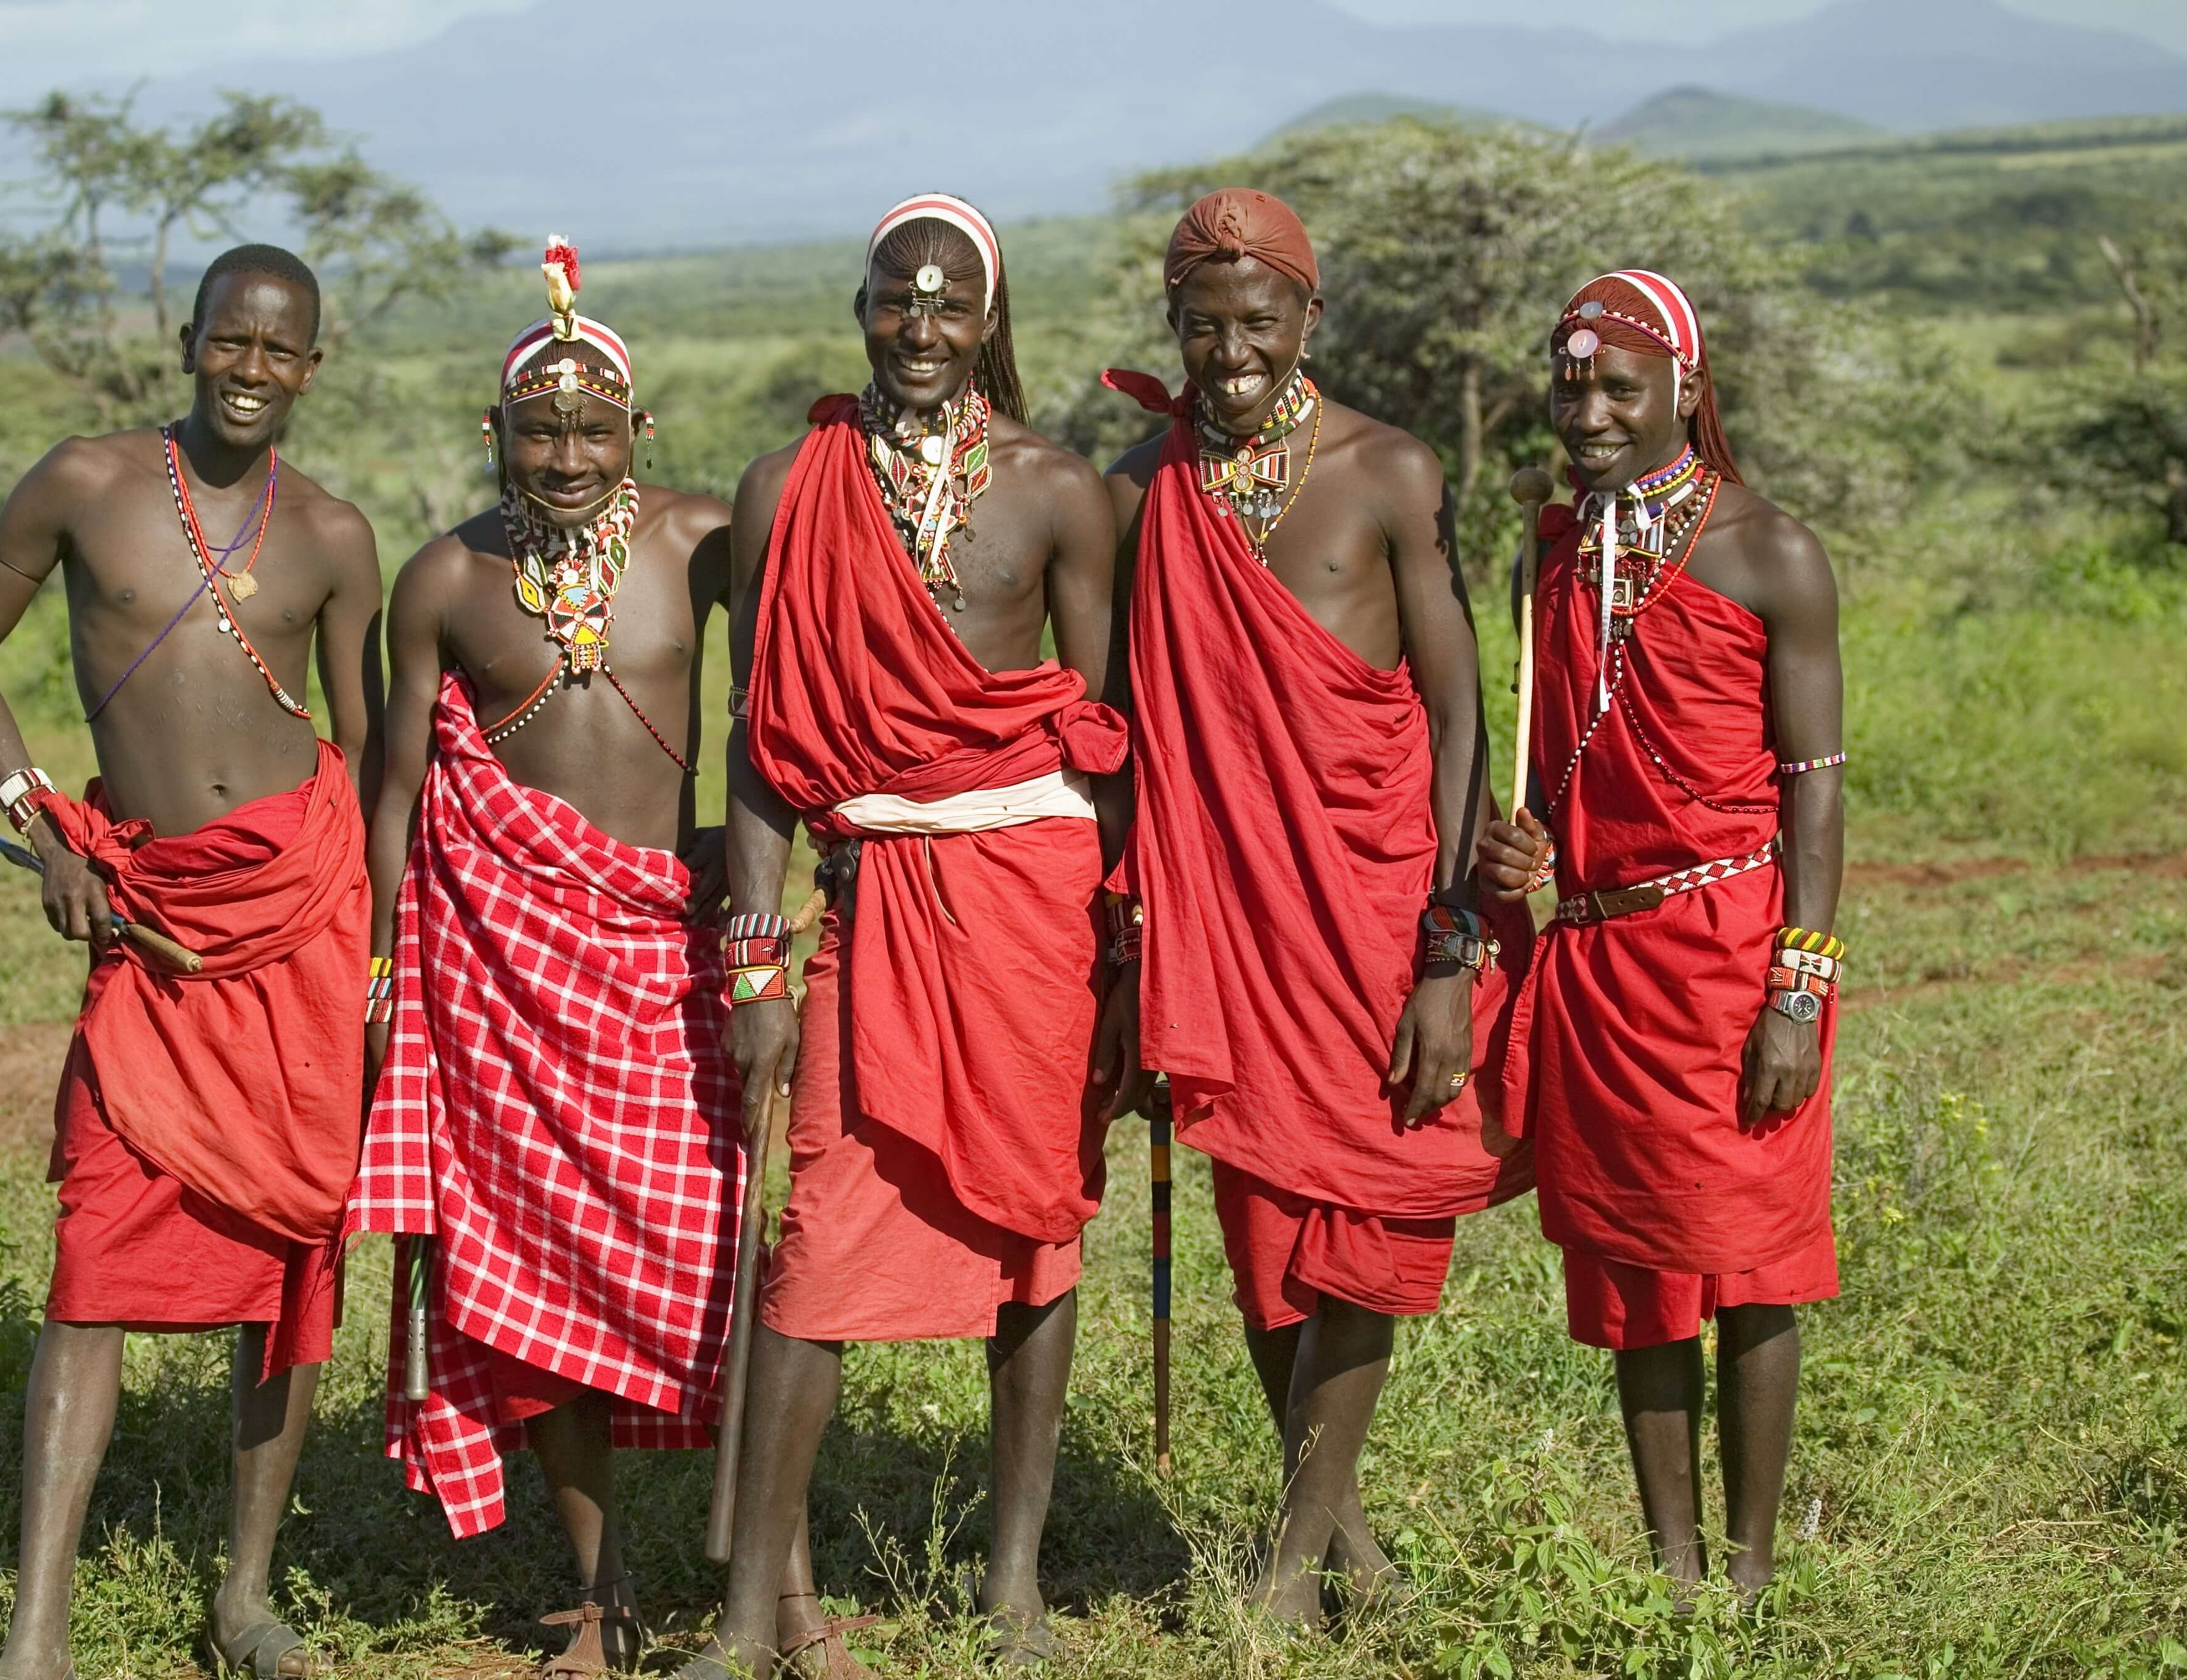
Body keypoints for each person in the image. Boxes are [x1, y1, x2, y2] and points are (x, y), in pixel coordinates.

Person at [681, 193, 1127, 1679]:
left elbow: (1111, 733)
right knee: (813, 1241)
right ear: (859, 307)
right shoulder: (783, 488)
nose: (921, 327)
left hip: (1030, 905)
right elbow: (758, 738)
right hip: (869, 899)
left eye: (950, 304)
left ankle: (1013, 1589)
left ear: (990, 320)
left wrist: (1128, 950)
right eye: (895, 299)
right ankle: (748, 1618)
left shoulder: (1060, 490)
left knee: (1035, 1228)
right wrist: (752, 952)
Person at [0, 243, 380, 1680]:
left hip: (301, 919)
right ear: (188, 343)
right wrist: (41, 822)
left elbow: (370, 752)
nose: (252, 368)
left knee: (292, 1255)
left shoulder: (334, 534)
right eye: (230, 342)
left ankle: (247, 1595)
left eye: (280, 349)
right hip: (147, 922)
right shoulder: (86, 482)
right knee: (94, 1257)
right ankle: (36, 1634)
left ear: (314, 366)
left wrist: (374, 944)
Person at [1100, 189, 1532, 1628]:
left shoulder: (1388, 472)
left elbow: (1463, 714)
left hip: (1377, 906)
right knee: (1264, 1229)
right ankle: (1338, 1541)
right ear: (1174, 328)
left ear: (1310, 319)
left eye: (1258, 319)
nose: (1231, 349)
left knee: (1372, 1213)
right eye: (1203, 323)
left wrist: (1450, 943)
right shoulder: (1138, 486)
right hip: (1222, 922)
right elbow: (1118, 727)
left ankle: (1288, 1562)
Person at [345, 240, 743, 1676]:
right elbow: (397, 790)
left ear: (637, 431)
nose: (565, 453)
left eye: (592, 426)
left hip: (666, 958)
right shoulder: (447, 577)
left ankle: (774, 1584)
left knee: (721, 1255)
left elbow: (784, 701)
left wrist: (754, 886)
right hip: (500, 978)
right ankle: (602, 1580)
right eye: (537, 427)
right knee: (546, 1275)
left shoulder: (700, 543)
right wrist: (384, 981)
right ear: (497, 432)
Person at [1476, 270, 1844, 1601]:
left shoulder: (1768, 550)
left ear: (1685, 390)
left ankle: (1747, 1568)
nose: (1590, 409)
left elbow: (1815, 781)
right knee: (1636, 1270)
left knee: (1748, 1265)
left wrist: (1797, 989)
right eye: (1570, 383)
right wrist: (1519, 845)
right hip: (1597, 958)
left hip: (1733, 952)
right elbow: (1540, 776)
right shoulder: (1549, 549)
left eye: (1619, 386)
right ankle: (1672, 1567)